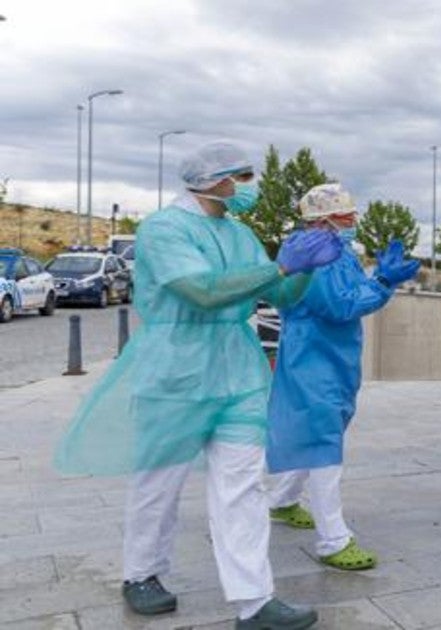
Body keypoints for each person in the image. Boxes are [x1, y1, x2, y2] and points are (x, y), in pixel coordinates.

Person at [54, 142, 338, 628]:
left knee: (243, 487)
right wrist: (283, 265)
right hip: (175, 368)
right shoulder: (164, 229)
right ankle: (142, 573)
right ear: (213, 179)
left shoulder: (241, 233)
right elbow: (201, 292)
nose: (251, 185)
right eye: (243, 175)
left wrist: (308, 269)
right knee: (158, 482)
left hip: (236, 370)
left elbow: (280, 295)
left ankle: (254, 600)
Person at [265, 183, 421, 570]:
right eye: (347, 215)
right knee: (322, 437)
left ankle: (282, 501)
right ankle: (333, 539)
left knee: (321, 430)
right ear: (324, 219)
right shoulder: (316, 255)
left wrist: (376, 280)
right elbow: (340, 304)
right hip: (314, 357)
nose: (354, 221)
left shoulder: (335, 251)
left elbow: (349, 293)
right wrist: (383, 284)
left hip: (331, 355)